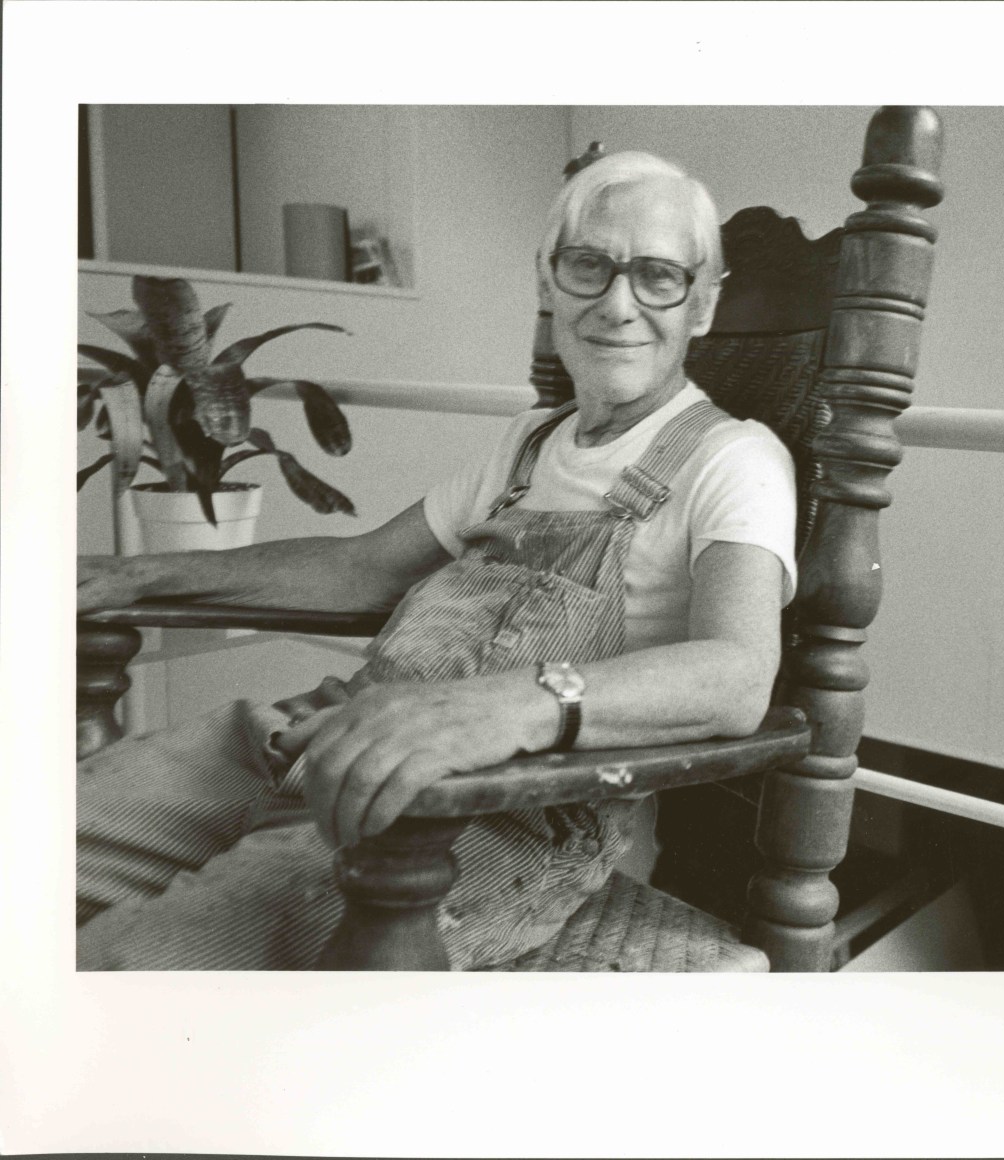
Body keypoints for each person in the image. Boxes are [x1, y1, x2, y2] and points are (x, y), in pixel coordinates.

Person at [75, 152, 798, 970]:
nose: (617, 304)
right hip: (316, 737)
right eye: (588, 265)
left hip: (482, 814)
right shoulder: (529, 446)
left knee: (118, 971)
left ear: (700, 305)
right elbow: (358, 568)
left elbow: (737, 673)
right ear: (547, 282)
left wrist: (507, 707)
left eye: (659, 276)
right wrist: (135, 574)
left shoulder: (733, 458)